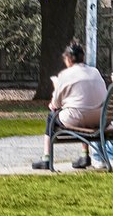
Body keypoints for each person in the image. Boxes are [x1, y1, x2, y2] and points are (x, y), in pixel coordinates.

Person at [31, 41, 108, 170]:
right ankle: (85, 155)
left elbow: (55, 105)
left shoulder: (64, 75)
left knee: (51, 117)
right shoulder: (95, 72)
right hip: (99, 118)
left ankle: (46, 157)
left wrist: (56, 87)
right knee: (84, 110)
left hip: (76, 118)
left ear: (68, 59)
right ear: (82, 58)